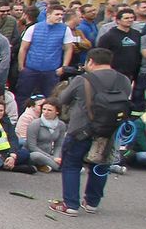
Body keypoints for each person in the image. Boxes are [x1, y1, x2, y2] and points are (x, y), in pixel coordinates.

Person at [49, 48, 132, 216]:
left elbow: (63, 99)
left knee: (71, 165)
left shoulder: (83, 80)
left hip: (81, 129)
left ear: (91, 61)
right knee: (100, 165)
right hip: (110, 130)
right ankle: (92, 202)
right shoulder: (123, 80)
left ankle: (70, 204)